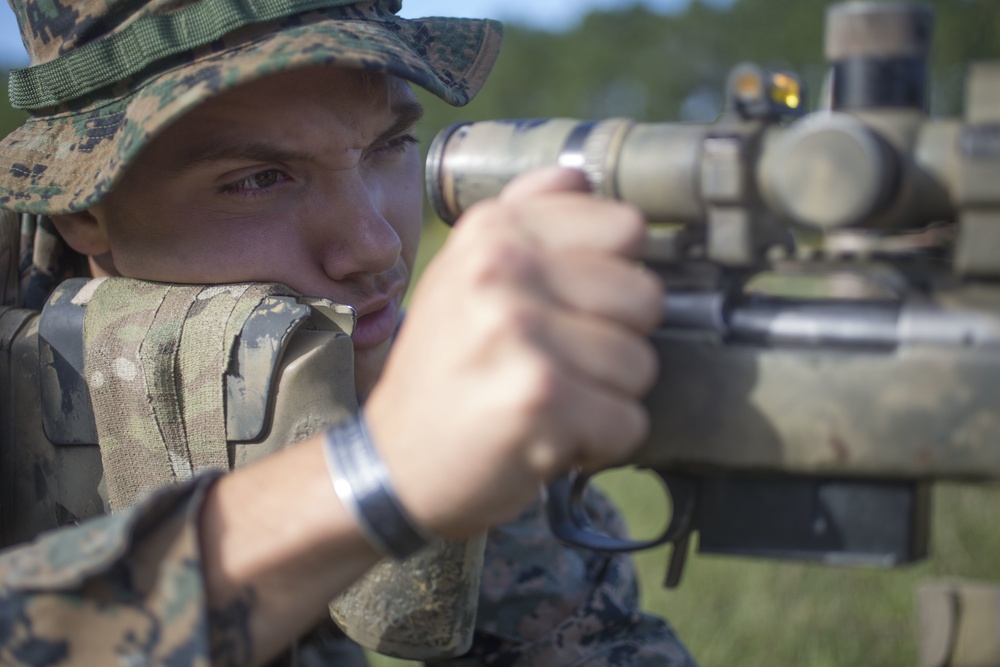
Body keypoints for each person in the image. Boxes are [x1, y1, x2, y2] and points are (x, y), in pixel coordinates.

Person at [0, 1, 696, 665]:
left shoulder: (413, 377)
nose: (377, 244)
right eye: (260, 178)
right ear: (79, 205)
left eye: (390, 145)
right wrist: (371, 479)